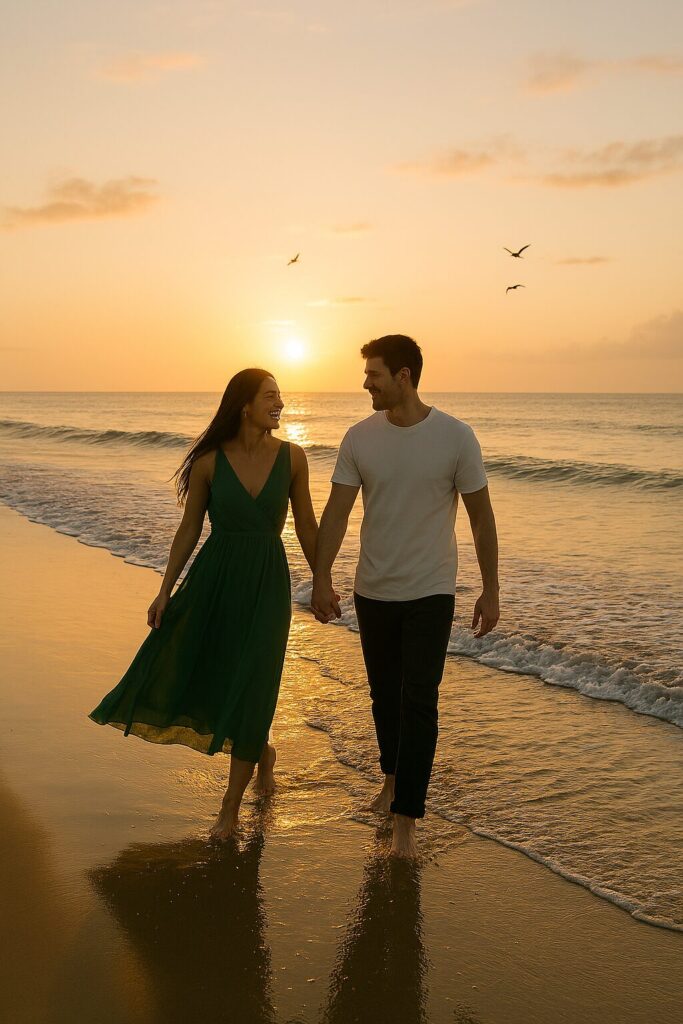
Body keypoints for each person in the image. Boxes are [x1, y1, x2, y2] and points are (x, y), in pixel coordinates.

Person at [89, 369, 318, 841]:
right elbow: (190, 529)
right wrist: (165, 589)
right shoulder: (210, 463)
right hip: (215, 579)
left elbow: (309, 527)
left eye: (280, 396)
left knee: (258, 681)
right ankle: (263, 752)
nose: (280, 404)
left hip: (267, 583)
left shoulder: (294, 458)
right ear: (245, 406)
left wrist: (325, 581)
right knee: (217, 671)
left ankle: (228, 811)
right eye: (270, 396)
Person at [311, 335, 500, 858]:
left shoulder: (456, 438)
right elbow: (337, 511)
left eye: (373, 374)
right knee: (383, 696)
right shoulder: (358, 438)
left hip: (431, 591)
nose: (365, 382)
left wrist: (490, 587)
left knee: (419, 701)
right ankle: (392, 779)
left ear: (404, 376)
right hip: (373, 589)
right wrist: (321, 577)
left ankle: (405, 823)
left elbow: (481, 517)